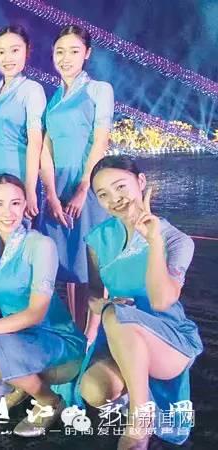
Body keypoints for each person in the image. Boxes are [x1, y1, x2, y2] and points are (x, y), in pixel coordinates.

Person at [77, 155, 203, 449]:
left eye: (121, 186)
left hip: (169, 341)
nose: (115, 199)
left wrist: (154, 241)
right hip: (120, 336)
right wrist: (101, 306)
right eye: (103, 194)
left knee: (116, 315)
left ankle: (140, 421)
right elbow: (93, 294)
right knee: (93, 389)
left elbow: (161, 301)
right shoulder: (97, 239)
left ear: (141, 182)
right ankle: (137, 391)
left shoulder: (177, 241)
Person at [0, 173, 86, 436]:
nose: (8, 212)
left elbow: (37, 313)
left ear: (25, 204)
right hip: (15, 334)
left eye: (15, 203)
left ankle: (49, 400)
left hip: (53, 335)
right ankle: (21, 386)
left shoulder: (41, 245)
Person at [39, 25, 114, 331]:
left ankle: (92, 336)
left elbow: (100, 140)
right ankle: (74, 331)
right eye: (60, 51)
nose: (66, 58)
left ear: (87, 54)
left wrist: (84, 187)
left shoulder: (99, 90)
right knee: (69, 264)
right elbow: (46, 149)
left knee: (92, 264)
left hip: (89, 184)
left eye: (74, 51)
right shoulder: (54, 97)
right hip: (58, 187)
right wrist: (50, 193)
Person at [0, 25, 45, 221]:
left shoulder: (32, 90)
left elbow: (36, 143)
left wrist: (30, 190)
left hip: (20, 176)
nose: (7, 58)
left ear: (27, 51)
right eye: (1, 52)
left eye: (14, 50)